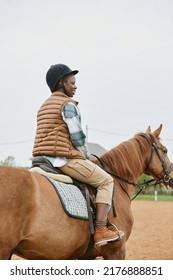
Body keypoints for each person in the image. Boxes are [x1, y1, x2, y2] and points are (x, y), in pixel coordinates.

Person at [32, 63, 124, 246]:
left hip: (39, 160)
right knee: (106, 181)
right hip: (61, 160)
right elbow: (77, 137)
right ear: (61, 83)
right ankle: (100, 230)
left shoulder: (43, 106)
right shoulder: (68, 105)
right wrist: (85, 155)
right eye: (72, 83)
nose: (75, 86)